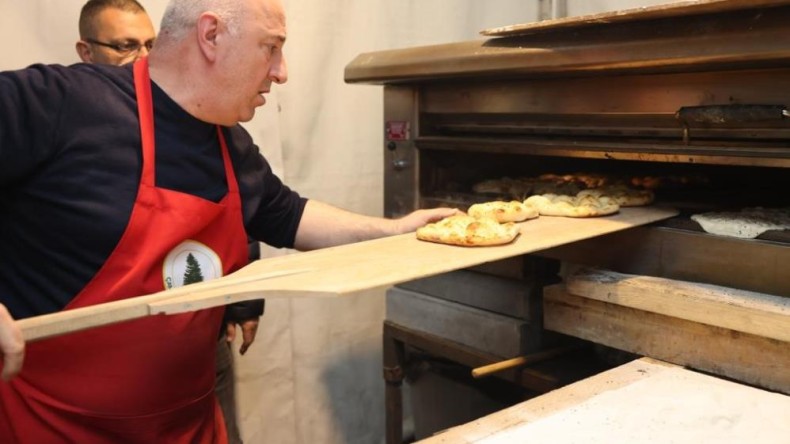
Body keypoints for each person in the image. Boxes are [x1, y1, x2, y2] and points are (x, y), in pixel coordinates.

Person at [0, 0, 456, 442]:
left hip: (186, 425)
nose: (281, 71)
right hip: (53, 426)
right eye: (270, 47)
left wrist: (394, 231)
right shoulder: (64, 102)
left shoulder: (230, 145)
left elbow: (290, 215)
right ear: (211, 35)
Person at [75, 2, 262, 442]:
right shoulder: (68, 121)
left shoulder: (194, 117)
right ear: (86, 52)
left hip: (197, 346)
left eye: (149, 44)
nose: (141, 57)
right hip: (100, 362)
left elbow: (245, 211)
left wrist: (244, 303)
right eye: (125, 46)